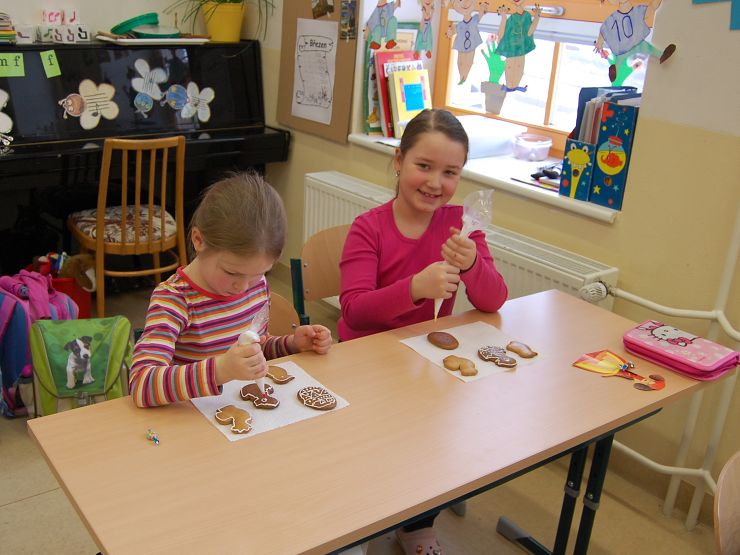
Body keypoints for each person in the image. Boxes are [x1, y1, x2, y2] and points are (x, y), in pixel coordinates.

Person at [338, 109, 508, 554]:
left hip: (425, 362)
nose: (435, 182)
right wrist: (414, 288)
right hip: (365, 364)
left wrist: (472, 263)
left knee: (432, 440)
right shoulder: (369, 228)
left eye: (450, 172)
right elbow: (354, 311)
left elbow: (493, 300)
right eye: (424, 166)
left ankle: (416, 522)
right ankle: (357, 521)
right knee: (365, 451)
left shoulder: (461, 229)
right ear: (399, 161)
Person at [130, 173, 333, 408]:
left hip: (237, 410)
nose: (243, 287)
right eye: (231, 272)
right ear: (198, 240)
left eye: (259, 273)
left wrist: (291, 345)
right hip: (190, 417)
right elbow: (141, 384)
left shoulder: (257, 286)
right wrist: (220, 370)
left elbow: (255, 349)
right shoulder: (174, 300)